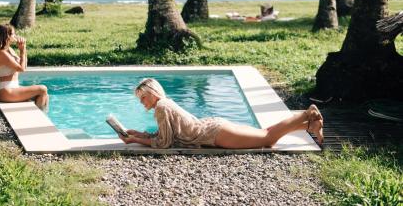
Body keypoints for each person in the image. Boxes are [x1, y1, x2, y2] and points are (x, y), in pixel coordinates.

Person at [119, 78, 323, 149]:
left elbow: (163, 144)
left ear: (153, 94)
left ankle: (308, 114)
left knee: (268, 138)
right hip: (214, 127)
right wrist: (139, 134)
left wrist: (134, 142)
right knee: (265, 134)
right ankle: (308, 124)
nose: (142, 102)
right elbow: (166, 136)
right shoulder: (164, 104)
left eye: (143, 97)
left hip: (215, 134)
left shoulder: (162, 107)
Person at [0, 24, 49, 111]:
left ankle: (42, 114)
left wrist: (23, 49)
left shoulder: (9, 50)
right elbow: (22, 69)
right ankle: (40, 116)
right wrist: (22, 51)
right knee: (42, 89)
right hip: (6, 91)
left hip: (13, 88)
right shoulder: (2, 53)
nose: (15, 35)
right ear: (7, 36)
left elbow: (24, 66)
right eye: (13, 34)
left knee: (45, 94)